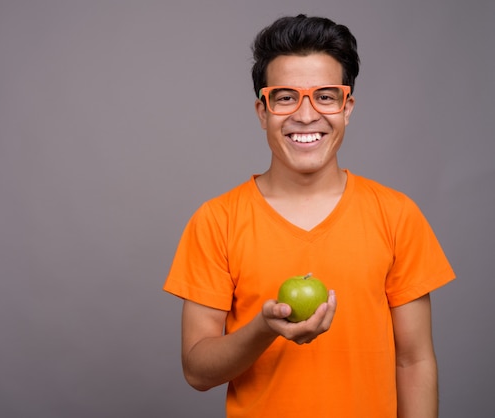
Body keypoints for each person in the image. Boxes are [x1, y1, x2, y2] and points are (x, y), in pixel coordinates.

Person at [163, 14, 455, 418]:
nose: (305, 115)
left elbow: (415, 361)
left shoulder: (396, 214)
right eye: (285, 97)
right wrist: (263, 329)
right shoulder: (216, 221)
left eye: (325, 96)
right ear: (262, 111)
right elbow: (197, 371)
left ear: (347, 107)